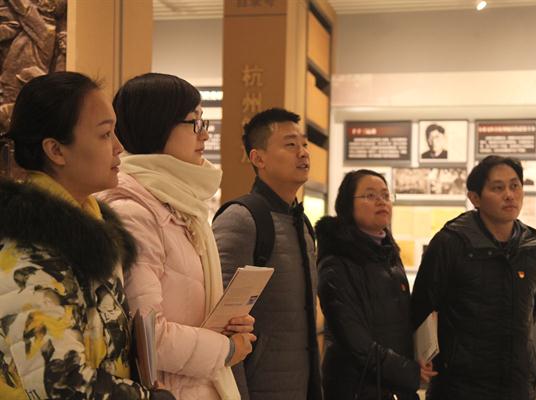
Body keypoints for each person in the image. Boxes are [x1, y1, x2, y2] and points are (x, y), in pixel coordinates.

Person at [0, 72, 174, 399]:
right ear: (56, 150)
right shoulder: (29, 250)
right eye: (105, 134)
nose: (119, 147)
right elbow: (60, 383)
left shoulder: (91, 231)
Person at [97, 73, 255, 400]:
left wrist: (226, 326)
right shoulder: (133, 212)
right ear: (157, 124)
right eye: (195, 122)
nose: (205, 133)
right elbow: (148, 336)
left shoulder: (178, 203)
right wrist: (226, 348)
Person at [411, 155, 536, 400]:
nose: (509, 195)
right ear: (475, 198)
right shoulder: (450, 243)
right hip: (460, 386)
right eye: (498, 188)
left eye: (515, 186)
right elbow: (422, 304)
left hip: (517, 383)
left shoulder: (533, 247)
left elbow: (533, 308)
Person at [212, 108, 322, 400]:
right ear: (258, 158)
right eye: (290, 144)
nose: (303, 153)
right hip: (258, 388)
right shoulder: (241, 219)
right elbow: (221, 323)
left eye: (304, 144)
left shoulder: (302, 223)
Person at [316, 169, 437, 400]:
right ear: (347, 205)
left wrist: (418, 357)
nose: (381, 201)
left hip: (394, 387)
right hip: (356, 389)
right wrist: (408, 371)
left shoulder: (388, 255)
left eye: (385, 195)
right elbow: (354, 340)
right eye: (370, 195)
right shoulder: (336, 263)